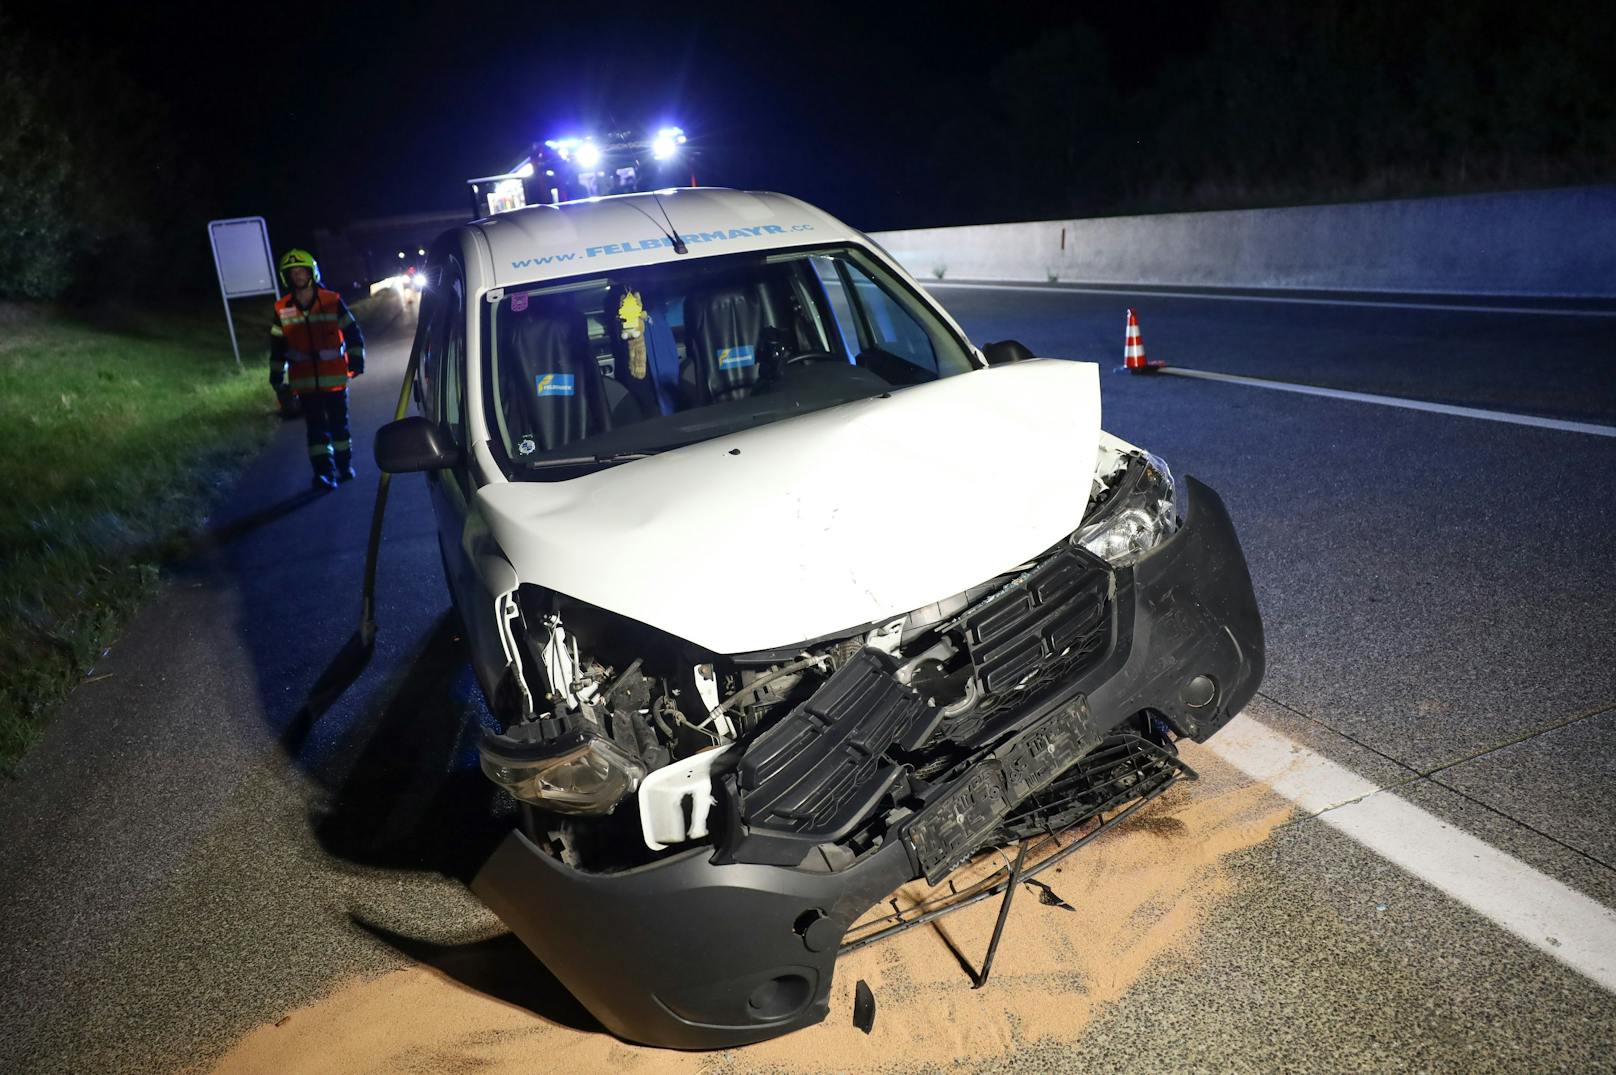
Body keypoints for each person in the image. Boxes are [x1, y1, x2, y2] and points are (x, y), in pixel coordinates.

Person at [269, 249, 366, 490]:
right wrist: (276, 375)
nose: (298, 276)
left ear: (312, 273)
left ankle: (344, 467)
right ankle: (323, 474)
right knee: (315, 431)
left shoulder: (331, 300)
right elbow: (277, 345)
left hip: (334, 378)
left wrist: (356, 361)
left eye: (302, 271)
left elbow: (353, 332)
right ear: (286, 277)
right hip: (304, 383)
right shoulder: (282, 308)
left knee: (339, 427)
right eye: (293, 273)